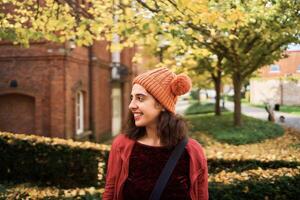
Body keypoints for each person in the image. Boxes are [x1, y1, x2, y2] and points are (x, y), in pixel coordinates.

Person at [103, 67, 208, 200]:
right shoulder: (121, 145)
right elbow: (110, 192)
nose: (131, 105)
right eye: (132, 98)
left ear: (162, 104)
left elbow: (201, 196)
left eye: (140, 98)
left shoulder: (192, 151)